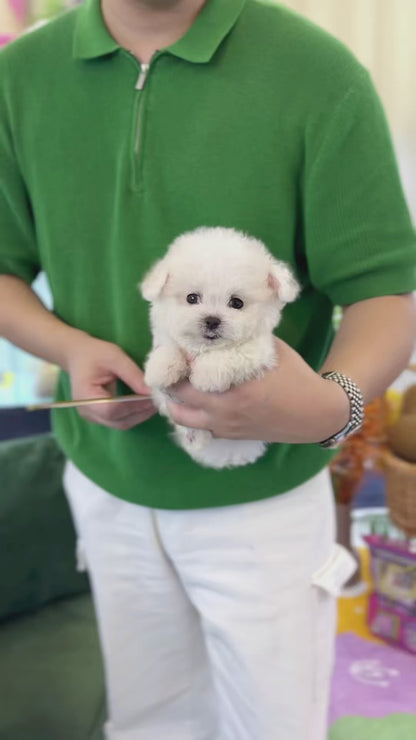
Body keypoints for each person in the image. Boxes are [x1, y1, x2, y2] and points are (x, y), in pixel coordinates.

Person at [0, 0, 415, 738]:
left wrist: (332, 407)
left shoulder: (317, 73)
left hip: (263, 499)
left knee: (275, 725)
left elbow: (384, 290)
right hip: (105, 485)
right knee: (146, 719)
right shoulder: (20, 77)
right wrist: (69, 349)